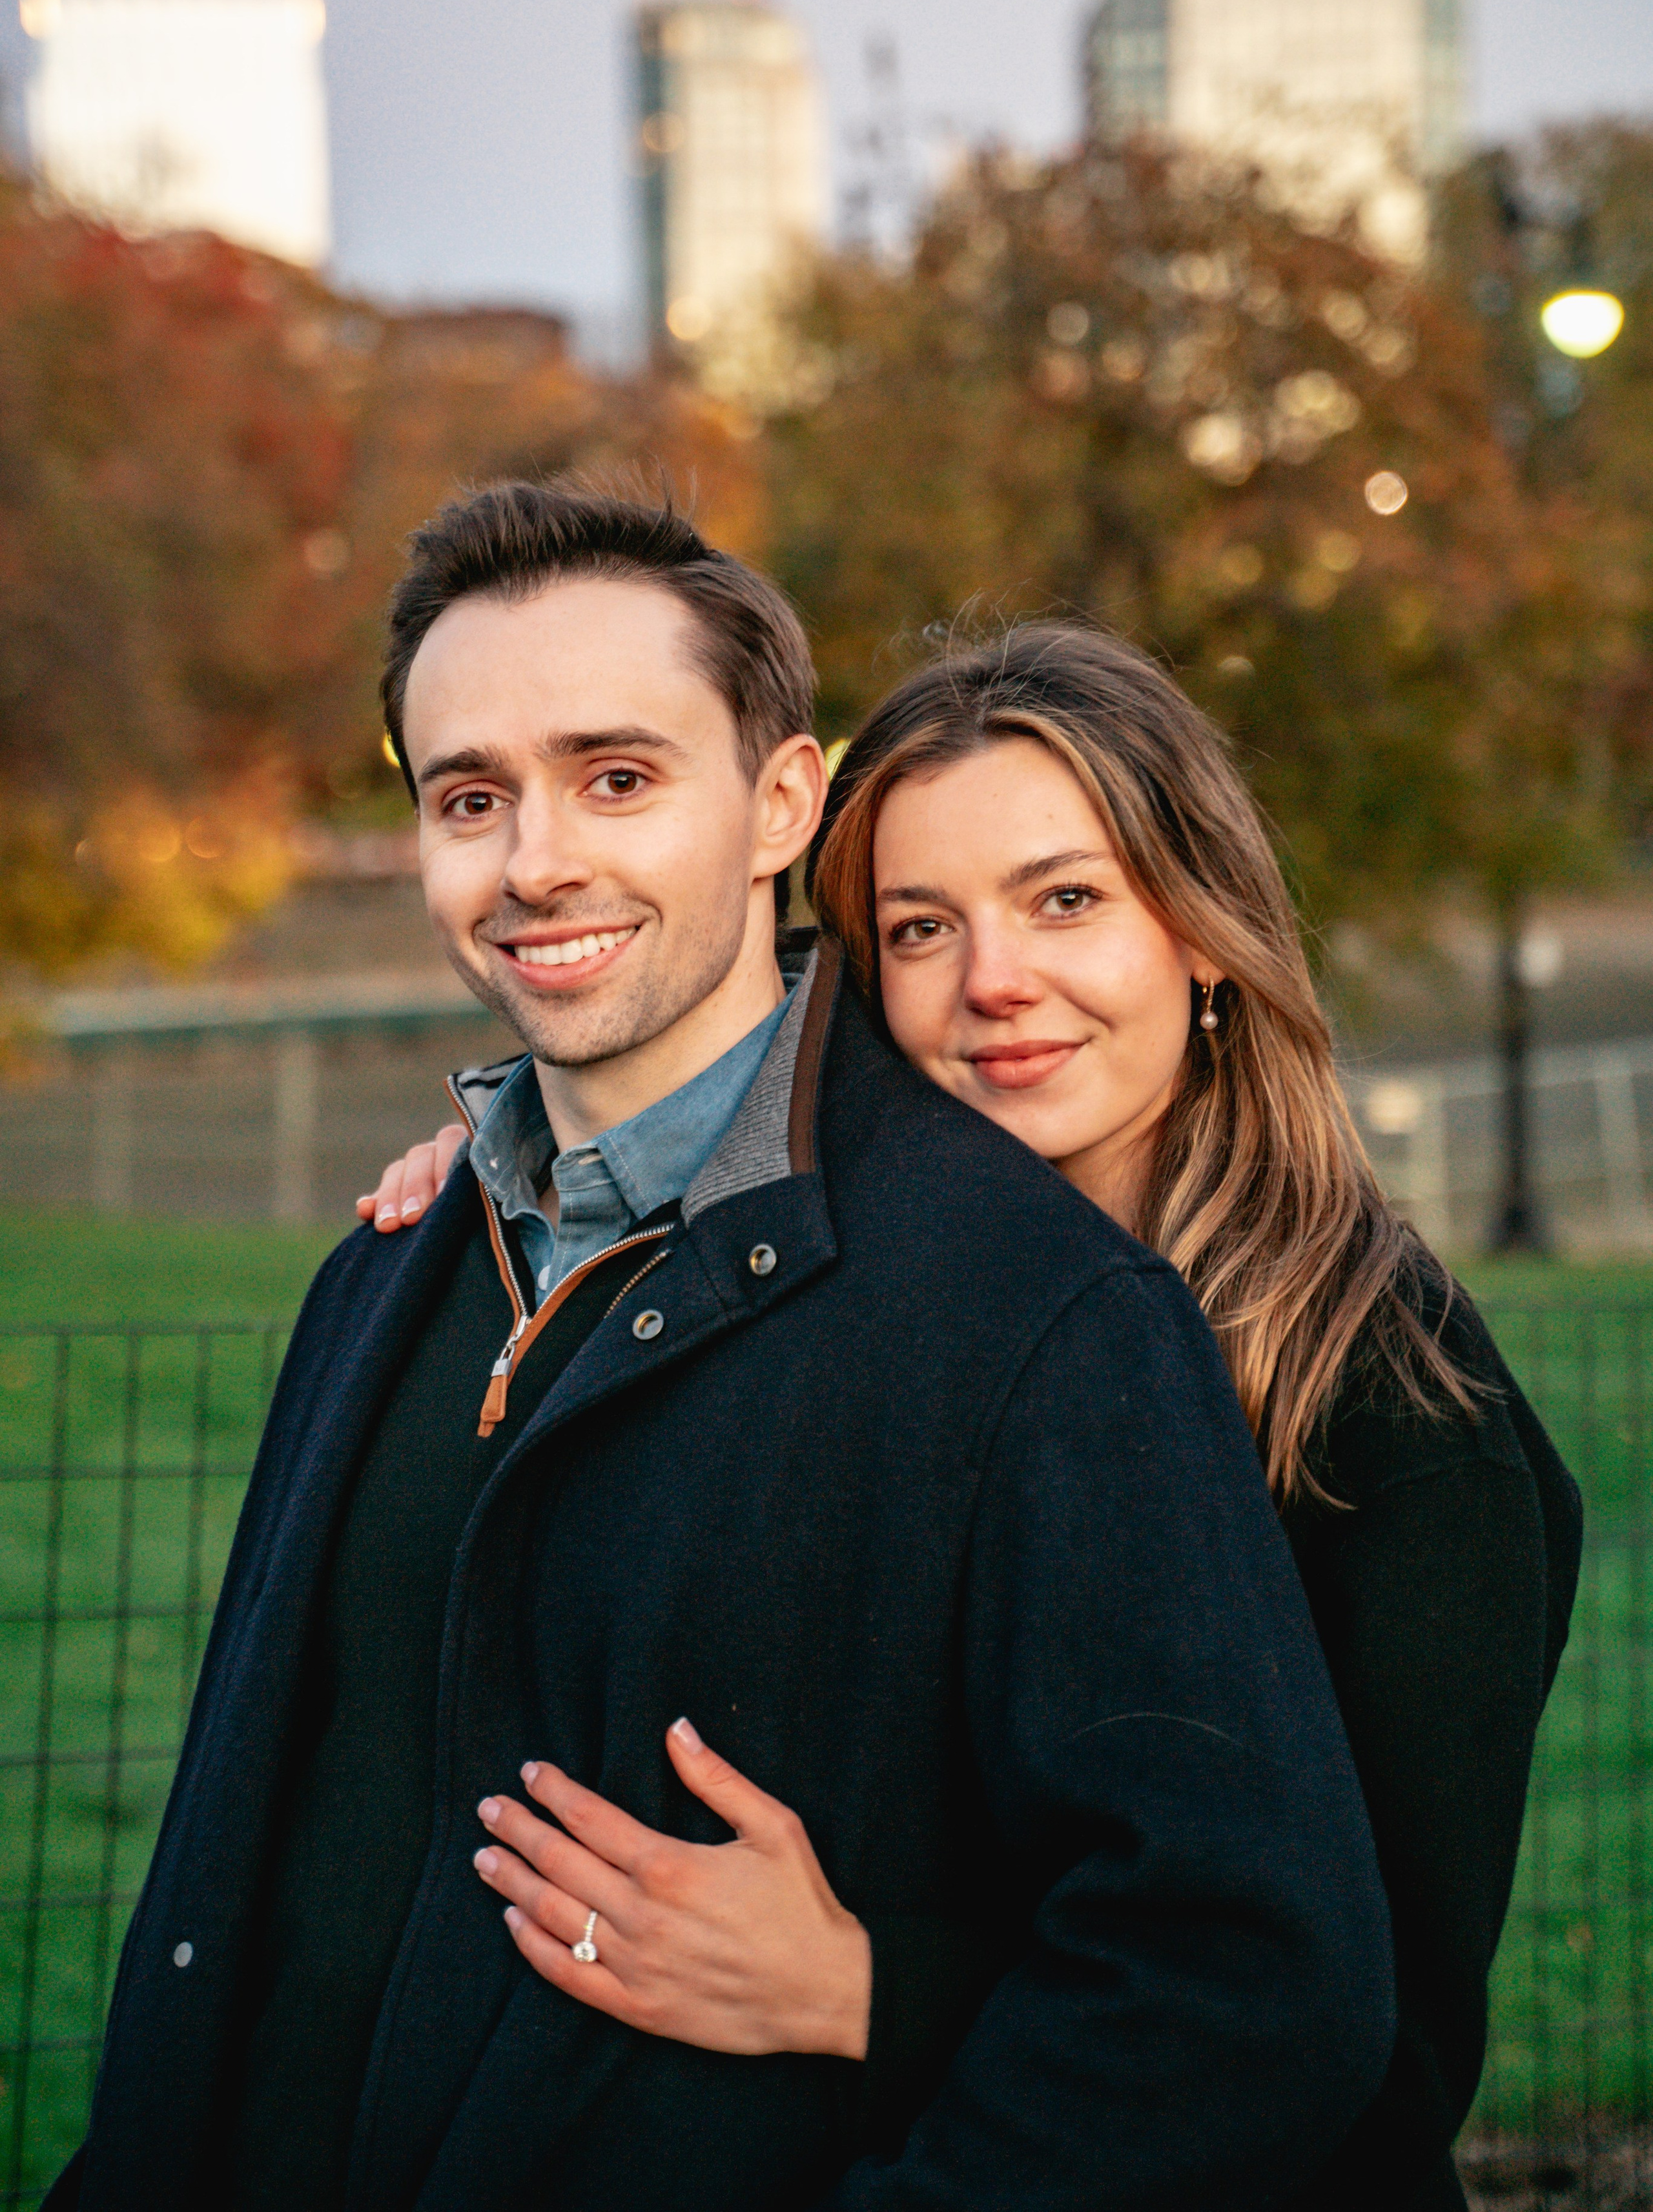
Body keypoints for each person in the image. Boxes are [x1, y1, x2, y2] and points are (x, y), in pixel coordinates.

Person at [52, 494, 1395, 2212]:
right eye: (471, 797)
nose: (535, 857)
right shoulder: (383, 1270)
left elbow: (1248, 1991)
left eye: (619, 777)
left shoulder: (1035, 1319)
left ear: (782, 803)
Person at [377, 617, 1583, 2212]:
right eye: (919, 926)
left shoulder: (1393, 1417)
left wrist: (862, 1986)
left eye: (1064, 898)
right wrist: (515, 1156)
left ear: (1201, 930)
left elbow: (1350, 2065)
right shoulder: (858, 1313)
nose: (993, 981)